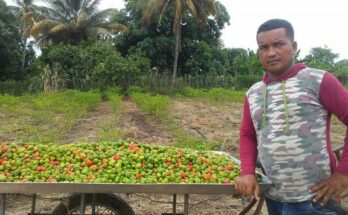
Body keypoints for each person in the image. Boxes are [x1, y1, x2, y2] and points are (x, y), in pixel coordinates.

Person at [235, 18, 348, 215]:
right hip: (274, 198)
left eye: (279, 44)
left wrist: (343, 173)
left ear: (293, 46)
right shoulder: (253, 93)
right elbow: (248, 135)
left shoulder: (317, 80)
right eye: (264, 47)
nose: (271, 52)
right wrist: (247, 172)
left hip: (317, 201)